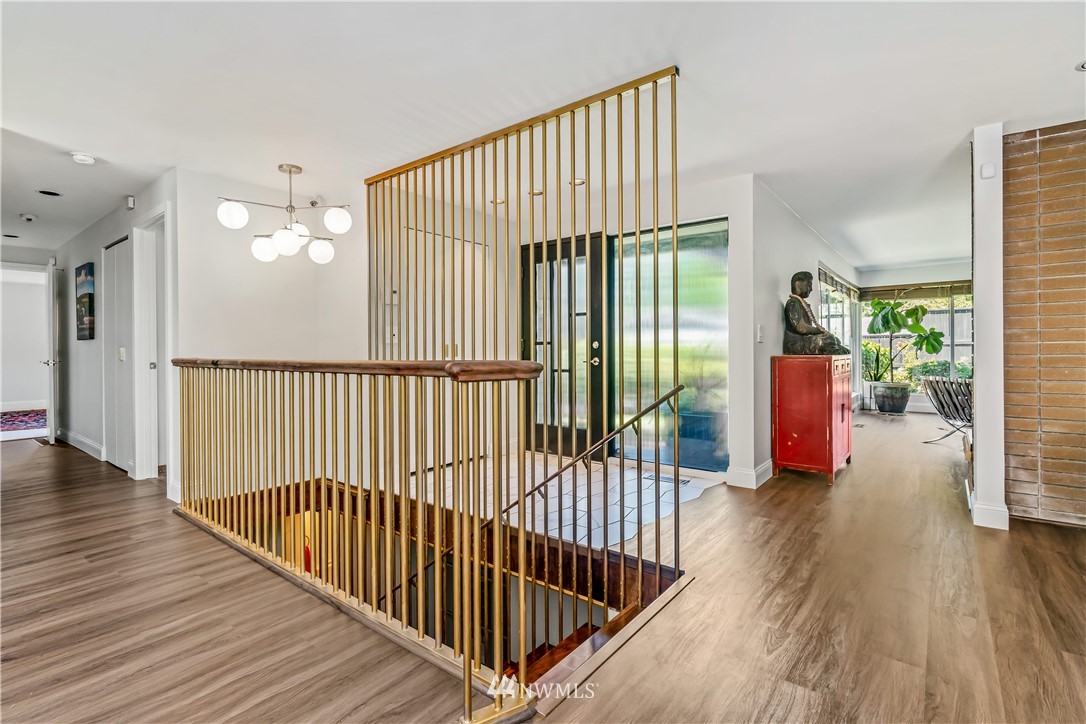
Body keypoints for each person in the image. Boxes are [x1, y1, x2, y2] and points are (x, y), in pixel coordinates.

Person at [783, 271, 850, 355]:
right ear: (799, 283)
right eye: (809, 285)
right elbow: (801, 327)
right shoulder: (792, 302)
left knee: (835, 339)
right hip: (795, 344)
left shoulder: (802, 303)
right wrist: (819, 331)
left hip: (804, 339)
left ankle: (836, 350)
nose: (811, 289)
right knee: (827, 340)